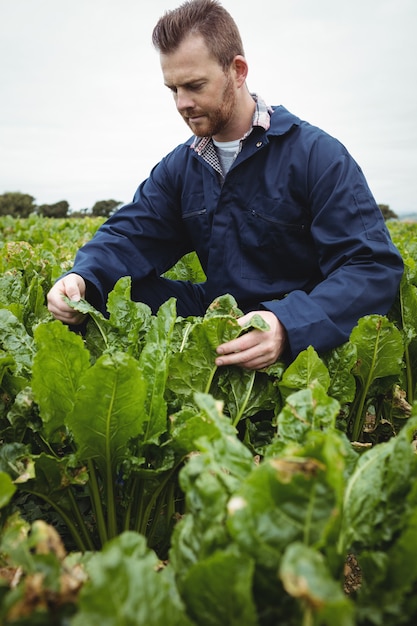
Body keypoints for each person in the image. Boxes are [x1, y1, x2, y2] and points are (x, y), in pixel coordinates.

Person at [47, 0, 403, 370]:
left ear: (237, 70)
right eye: (173, 90)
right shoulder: (182, 165)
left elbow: (370, 265)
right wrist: (81, 278)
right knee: (107, 297)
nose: (183, 104)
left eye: (194, 85)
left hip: (295, 328)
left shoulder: (316, 155)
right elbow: (131, 234)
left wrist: (287, 326)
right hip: (218, 315)